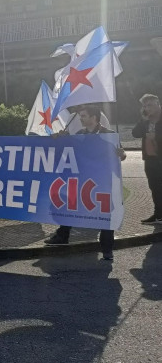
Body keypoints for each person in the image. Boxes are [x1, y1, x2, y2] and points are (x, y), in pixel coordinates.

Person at [44, 105, 126, 260]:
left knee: (105, 213)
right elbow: (70, 151)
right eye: (80, 116)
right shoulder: (80, 134)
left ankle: (107, 249)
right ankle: (62, 236)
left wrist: (122, 154)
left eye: (83, 116)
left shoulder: (109, 135)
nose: (80, 119)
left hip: (102, 181)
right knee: (71, 205)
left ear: (94, 117)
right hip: (83, 180)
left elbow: (121, 155)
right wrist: (60, 139)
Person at [132, 94, 162, 224]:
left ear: (157, 103)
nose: (147, 108)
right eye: (144, 106)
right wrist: (142, 119)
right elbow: (135, 133)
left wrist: (157, 136)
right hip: (150, 159)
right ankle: (158, 215)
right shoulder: (146, 120)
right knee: (154, 187)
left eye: (149, 105)